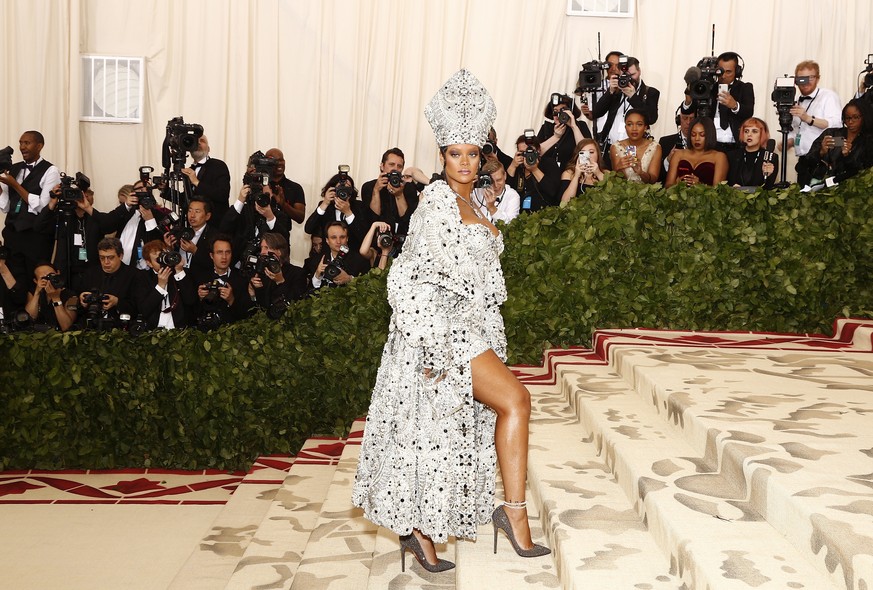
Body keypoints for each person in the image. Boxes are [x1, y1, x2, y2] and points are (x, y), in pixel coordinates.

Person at [353, 69, 550, 575]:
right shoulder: (437, 205)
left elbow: (482, 285)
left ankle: (425, 534)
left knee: (440, 435)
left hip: (472, 333)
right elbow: (404, 280)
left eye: (471, 154)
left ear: (482, 157)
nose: (463, 163)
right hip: (442, 337)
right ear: (441, 158)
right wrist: (434, 344)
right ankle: (513, 516)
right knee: (515, 401)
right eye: (453, 154)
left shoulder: (475, 202)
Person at [0, 131, 61, 284]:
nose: (22, 147)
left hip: (36, 237)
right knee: (13, 279)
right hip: (13, 234)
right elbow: (6, 206)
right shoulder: (14, 168)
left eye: (27, 143)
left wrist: (14, 184)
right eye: (20, 143)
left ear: (39, 146)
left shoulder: (50, 171)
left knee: (34, 279)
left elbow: (42, 207)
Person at [592, 55, 660, 166]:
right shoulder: (617, 90)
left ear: (639, 71)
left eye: (633, 75)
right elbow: (596, 113)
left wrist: (633, 97)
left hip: (637, 148)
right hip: (611, 147)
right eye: (626, 75)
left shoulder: (650, 92)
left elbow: (651, 118)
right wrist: (610, 92)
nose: (629, 79)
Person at [681, 52, 754, 152]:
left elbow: (749, 112)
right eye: (721, 71)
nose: (723, 76)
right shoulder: (709, 87)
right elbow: (687, 110)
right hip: (711, 145)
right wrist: (688, 98)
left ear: (737, 71)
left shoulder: (745, 88)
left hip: (736, 146)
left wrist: (734, 105)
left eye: (728, 72)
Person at [788, 61, 844, 186]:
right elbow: (797, 130)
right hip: (803, 161)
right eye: (802, 79)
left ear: (818, 78)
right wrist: (789, 141)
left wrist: (809, 119)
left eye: (810, 77)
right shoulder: (796, 101)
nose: (806, 82)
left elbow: (836, 125)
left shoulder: (828, 96)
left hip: (824, 159)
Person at [803, 99, 873, 184]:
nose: (850, 122)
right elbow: (807, 162)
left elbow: (864, 171)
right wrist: (821, 152)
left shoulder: (867, 141)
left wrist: (847, 156)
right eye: (847, 118)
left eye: (856, 117)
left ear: (864, 117)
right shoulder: (832, 133)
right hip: (821, 184)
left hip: (851, 187)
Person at [360, 148, 420, 243]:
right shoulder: (369, 187)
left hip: (403, 240)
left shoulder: (408, 188)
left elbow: (407, 220)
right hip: (377, 239)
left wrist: (399, 195)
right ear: (382, 166)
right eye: (391, 164)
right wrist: (376, 190)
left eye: (399, 166)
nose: (395, 169)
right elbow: (373, 218)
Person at [78, 237, 139, 329]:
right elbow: (79, 305)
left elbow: (139, 307)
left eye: (110, 258)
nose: (106, 262)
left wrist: (117, 302)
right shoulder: (90, 274)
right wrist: (82, 300)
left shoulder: (134, 275)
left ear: (121, 255)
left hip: (121, 328)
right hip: (92, 327)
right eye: (102, 258)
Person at [134, 240, 196, 329]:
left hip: (181, 329)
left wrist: (179, 271)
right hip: (153, 330)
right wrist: (160, 286)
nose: (163, 261)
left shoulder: (180, 273)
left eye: (164, 256)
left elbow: (191, 300)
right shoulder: (143, 278)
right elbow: (144, 310)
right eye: (158, 259)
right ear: (149, 263)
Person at [303, 170, 369, 252]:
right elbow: (308, 229)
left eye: (347, 188)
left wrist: (348, 213)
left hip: (353, 255)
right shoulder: (325, 206)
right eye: (340, 188)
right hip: (329, 255)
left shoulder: (359, 206)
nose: (344, 191)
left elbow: (364, 237)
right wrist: (325, 203)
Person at [246, 232, 307, 311]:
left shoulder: (297, 273)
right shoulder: (260, 274)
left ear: (279, 252)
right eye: (261, 248)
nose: (262, 252)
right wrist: (253, 292)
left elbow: (295, 303)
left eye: (266, 248)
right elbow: (260, 307)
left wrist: (280, 281)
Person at [666, 117, 729, 187]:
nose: (697, 139)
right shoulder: (679, 154)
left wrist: (700, 185)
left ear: (710, 135)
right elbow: (668, 186)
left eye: (702, 135)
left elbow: (718, 191)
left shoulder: (719, 157)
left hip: (706, 197)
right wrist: (677, 184)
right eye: (693, 135)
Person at [536, 93, 592, 172]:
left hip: (572, 173)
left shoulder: (580, 126)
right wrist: (556, 137)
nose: (558, 115)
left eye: (562, 111)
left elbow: (587, 156)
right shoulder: (546, 128)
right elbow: (536, 154)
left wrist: (574, 127)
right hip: (549, 174)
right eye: (555, 112)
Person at [506, 135, 561, 212]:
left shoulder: (548, 163)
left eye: (529, 151)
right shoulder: (517, 166)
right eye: (522, 153)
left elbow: (552, 191)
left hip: (544, 215)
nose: (527, 155)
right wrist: (513, 166)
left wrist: (535, 170)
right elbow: (505, 190)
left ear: (538, 150)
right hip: (519, 216)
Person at [181, 135, 231, 222]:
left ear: (208, 149)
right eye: (195, 141)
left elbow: (223, 195)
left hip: (215, 226)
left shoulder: (218, 165)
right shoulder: (190, 170)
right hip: (193, 227)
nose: (198, 143)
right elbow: (186, 199)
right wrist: (165, 190)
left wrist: (196, 182)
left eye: (202, 141)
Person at [310, 220, 370, 290]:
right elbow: (312, 291)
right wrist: (317, 275)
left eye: (342, 237)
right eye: (334, 237)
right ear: (327, 240)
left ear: (347, 239)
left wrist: (350, 279)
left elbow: (367, 288)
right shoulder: (318, 260)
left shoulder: (359, 261)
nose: (338, 241)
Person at [163, 197, 215, 277]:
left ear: (207, 216)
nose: (192, 215)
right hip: (178, 276)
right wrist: (169, 248)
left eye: (197, 212)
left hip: (200, 281)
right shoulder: (180, 232)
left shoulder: (214, 236)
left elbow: (214, 263)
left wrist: (195, 251)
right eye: (190, 211)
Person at [609, 109, 662, 184]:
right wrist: (618, 168)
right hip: (621, 192)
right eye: (630, 124)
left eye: (639, 124)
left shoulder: (655, 147)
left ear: (645, 128)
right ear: (625, 127)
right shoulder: (616, 147)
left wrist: (641, 173)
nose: (634, 129)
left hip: (646, 193)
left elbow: (653, 180)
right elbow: (616, 180)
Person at [24, 262, 78, 332]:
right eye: (43, 278)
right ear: (36, 281)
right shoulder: (32, 293)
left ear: (58, 273)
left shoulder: (73, 297)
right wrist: (37, 293)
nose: (49, 280)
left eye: (51, 275)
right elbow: (29, 318)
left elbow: (67, 326)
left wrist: (56, 299)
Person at [727, 117, 779, 189]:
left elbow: (768, 187)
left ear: (762, 134)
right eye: (746, 131)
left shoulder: (770, 156)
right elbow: (727, 182)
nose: (749, 134)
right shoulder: (732, 155)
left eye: (754, 131)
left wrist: (768, 175)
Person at [265, 148, 306, 224]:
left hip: (282, 234)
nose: (279, 163)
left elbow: (300, 218)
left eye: (281, 160)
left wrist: (283, 204)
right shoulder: (260, 186)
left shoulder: (295, 188)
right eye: (275, 161)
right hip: (260, 233)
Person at [560, 139, 605, 204]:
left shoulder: (605, 173)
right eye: (582, 153)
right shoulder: (568, 174)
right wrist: (576, 176)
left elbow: (615, 194)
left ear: (598, 154)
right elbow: (564, 203)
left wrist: (598, 173)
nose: (588, 156)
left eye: (591, 152)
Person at [659, 107, 696, 183]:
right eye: (685, 118)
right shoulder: (665, 142)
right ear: (679, 120)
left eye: (692, 119)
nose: (688, 122)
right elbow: (658, 177)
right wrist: (667, 160)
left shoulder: (704, 144)